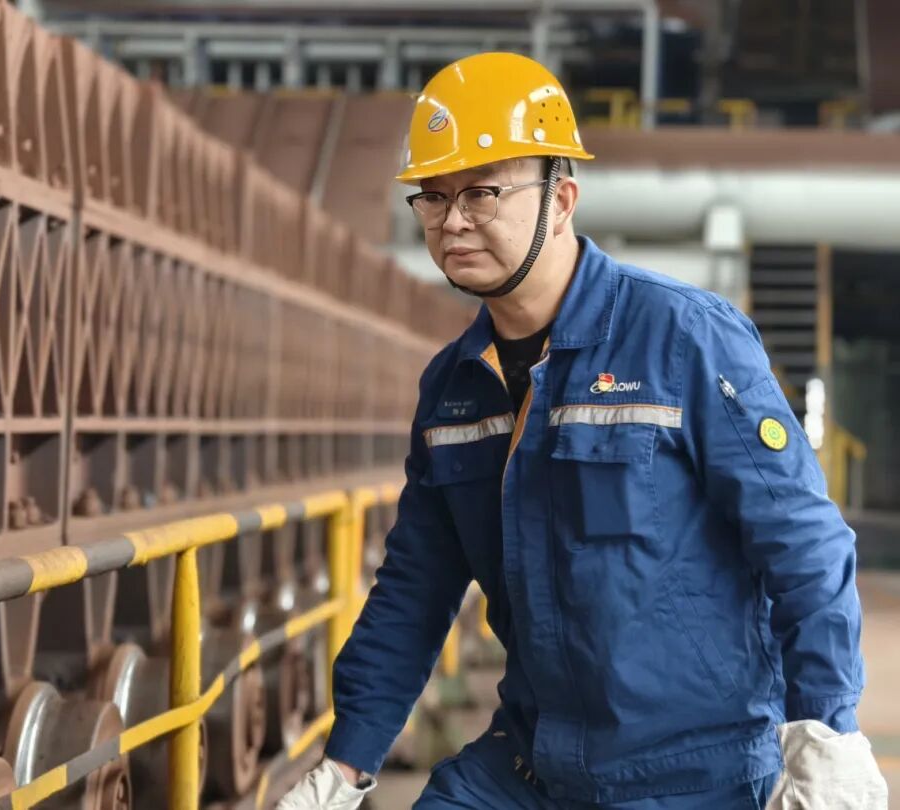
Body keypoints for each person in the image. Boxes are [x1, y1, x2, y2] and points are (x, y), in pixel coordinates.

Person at [278, 52, 887, 809]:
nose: (453, 220)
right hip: (535, 762)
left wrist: (827, 733)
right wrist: (345, 765)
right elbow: (416, 586)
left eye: (481, 192)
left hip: (694, 774)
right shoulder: (454, 388)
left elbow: (805, 546)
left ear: (561, 199)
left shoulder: (683, 339)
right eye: (432, 196)